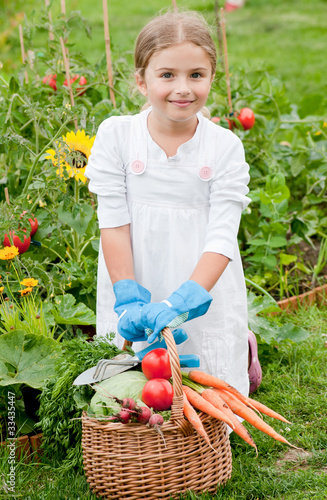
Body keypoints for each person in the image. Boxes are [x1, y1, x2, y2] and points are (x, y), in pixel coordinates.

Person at [85, 11, 261, 396]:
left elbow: (221, 235)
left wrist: (189, 296)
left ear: (211, 78)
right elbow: (113, 224)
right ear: (141, 81)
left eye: (196, 75)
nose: (183, 88)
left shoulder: (224, 148)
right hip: (135, 268)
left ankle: (236, 355)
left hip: (202, 275)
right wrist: (127, 294)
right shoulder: (117, 137)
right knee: (133, 388)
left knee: (205, 375)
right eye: (167, 75)